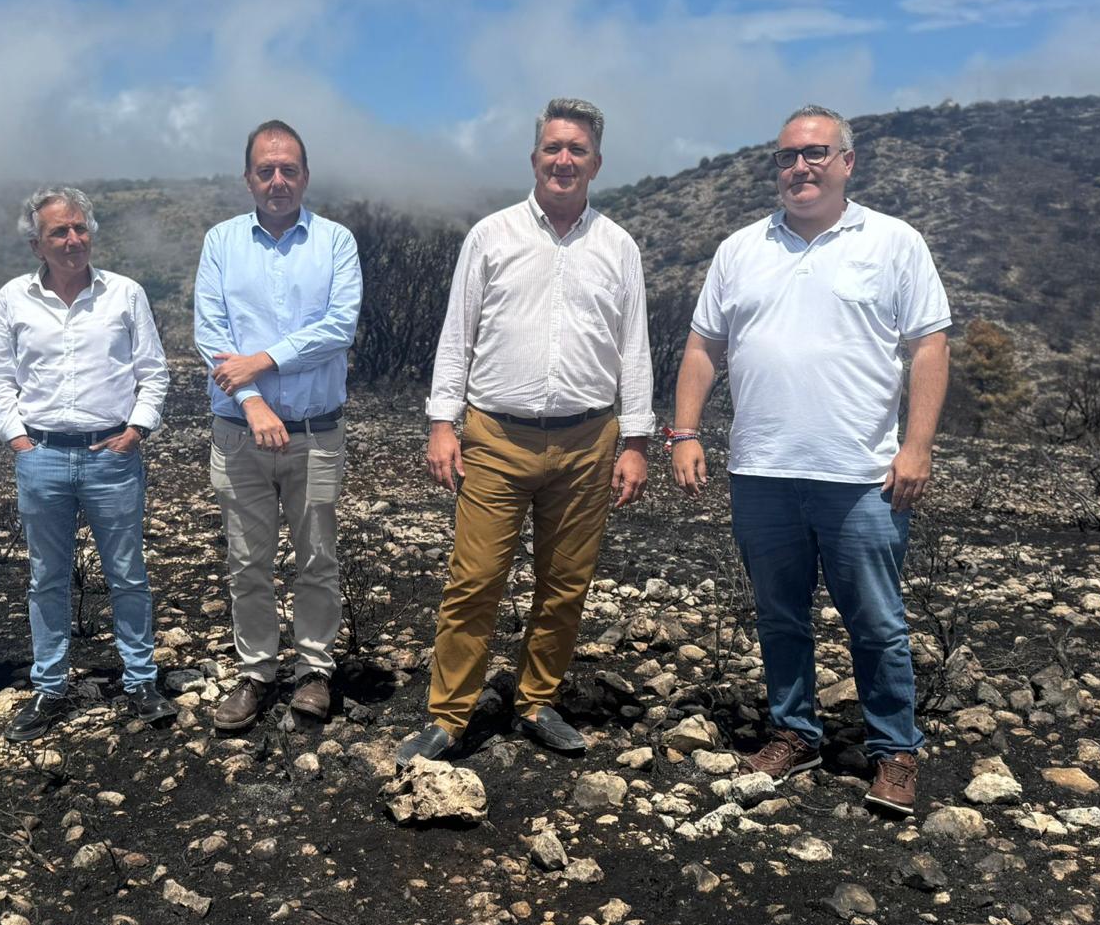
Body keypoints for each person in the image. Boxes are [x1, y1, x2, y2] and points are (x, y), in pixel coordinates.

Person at [671, 104, 951, 816]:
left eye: (817, 153)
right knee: (779, 614)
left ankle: (894, 749)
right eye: (789, 156)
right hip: (762, 471)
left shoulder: (894, 242)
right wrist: (685, 432)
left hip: (861, 474)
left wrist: (916, 445)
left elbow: (929, 346)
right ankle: (796, 732)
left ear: (847, 162)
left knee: (878, 622)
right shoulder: (740, 249)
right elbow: (706, 346)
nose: (801, 167)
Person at [397, 98, 655, 767]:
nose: (563, 160)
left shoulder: (617, 245)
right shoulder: (492, 236)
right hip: (496, 435)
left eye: (576, 150)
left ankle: (536, 700)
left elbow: (634, 349)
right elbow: (458, 335)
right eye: (552, 148)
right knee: (475, 579)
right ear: (534, 157)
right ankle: (449, 715)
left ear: (596, 162)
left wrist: (636, 440)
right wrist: (440, 423)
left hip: (587, 440)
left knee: (565, 582)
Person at [0, 187, 172, 742]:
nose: (72, 240)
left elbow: (153, 371)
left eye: (79, 229)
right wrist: (17, 439)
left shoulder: (125, 294)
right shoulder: (13, 298)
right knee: (46, 577)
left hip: (111, 453)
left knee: (128, 574)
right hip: (41, 456)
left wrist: (136, 430)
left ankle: (140, 679)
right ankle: (50, 687)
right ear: (36, 243)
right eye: (59, 232)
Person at [194, 120, 362, 733]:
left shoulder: (336, 242)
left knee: (317, 554)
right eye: (265, 169)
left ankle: (315, 670)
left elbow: (338, 328)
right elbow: (211, 337)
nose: (278, 179)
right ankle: (257, 671)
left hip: (316, 431)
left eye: (289, 168)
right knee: (247, 560)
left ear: (306, 176)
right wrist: (255, 403)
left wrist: (262, 362)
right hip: (240, 432)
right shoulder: (220, 243)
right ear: (248, 178)